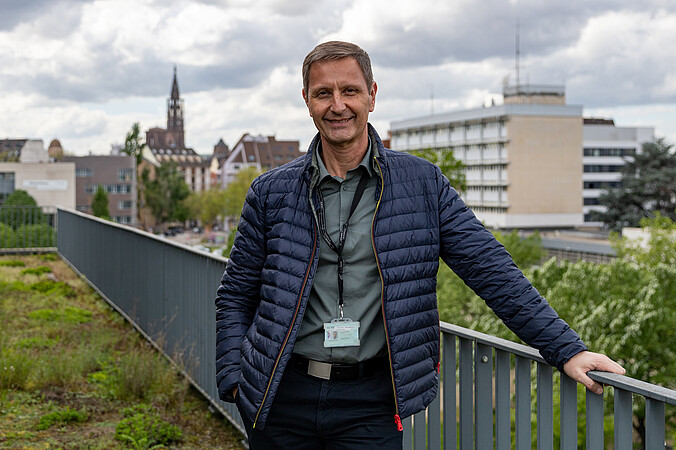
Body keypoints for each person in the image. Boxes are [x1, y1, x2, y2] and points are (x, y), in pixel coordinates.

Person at [215, 41, 625, 449]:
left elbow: (491, 270)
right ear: (307, 100)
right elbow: (236, 293)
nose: (337, 105)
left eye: (350, 91)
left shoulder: (422, 184)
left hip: (371, 401)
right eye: (324, 93)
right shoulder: (271, 192)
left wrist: (567, 350)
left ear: (372, 96)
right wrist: (234, 378)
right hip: (281, 394)